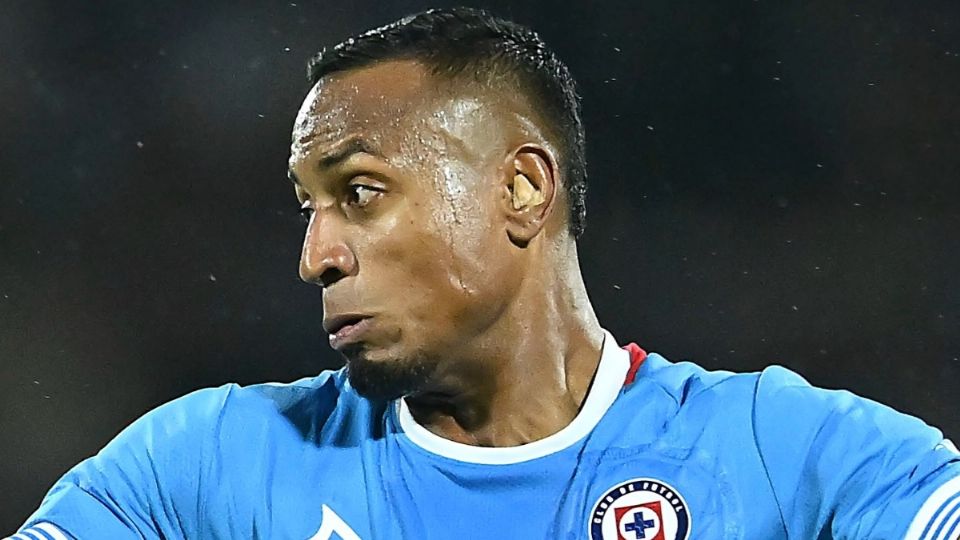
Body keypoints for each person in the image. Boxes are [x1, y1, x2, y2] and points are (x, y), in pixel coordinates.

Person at [9, 7, 959, 540]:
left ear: (521, 189)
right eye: (308, 207)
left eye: (361, 193)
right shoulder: (207, 468)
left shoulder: (781, 455)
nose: (316, 256)